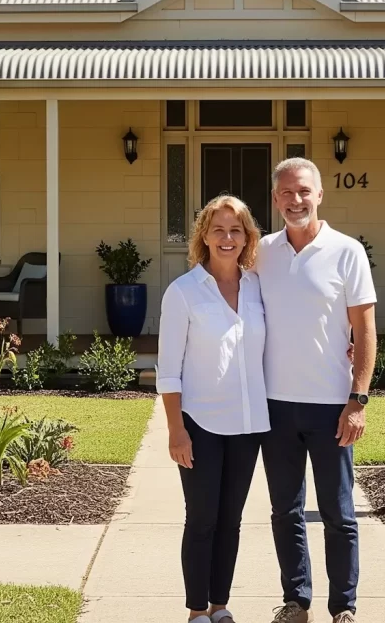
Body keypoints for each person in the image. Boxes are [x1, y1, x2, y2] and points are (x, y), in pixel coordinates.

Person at [256, 157, 377, 623]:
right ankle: (297, 600)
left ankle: (343, 607)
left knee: (338, 515)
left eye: (304, 190)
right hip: (275, 407)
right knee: (284, 512)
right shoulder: (261, 253)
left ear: (320, 194)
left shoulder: (347, 252)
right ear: (275, 199)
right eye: (286, 192)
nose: (295, 199)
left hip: (332, 407)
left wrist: (358, 400)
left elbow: (365, 332)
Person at [157, 194, 270, 623]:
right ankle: (197, 610)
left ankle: (221, 606)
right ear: (204, 235)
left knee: (232, 520)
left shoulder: (258, 286)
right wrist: (175, 430)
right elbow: (169, 370)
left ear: (247, 237)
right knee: (202, 518)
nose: (227, 238)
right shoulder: (183, 292)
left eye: (235, 230)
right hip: (199, 424)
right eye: (218, 229)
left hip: (248, 424)